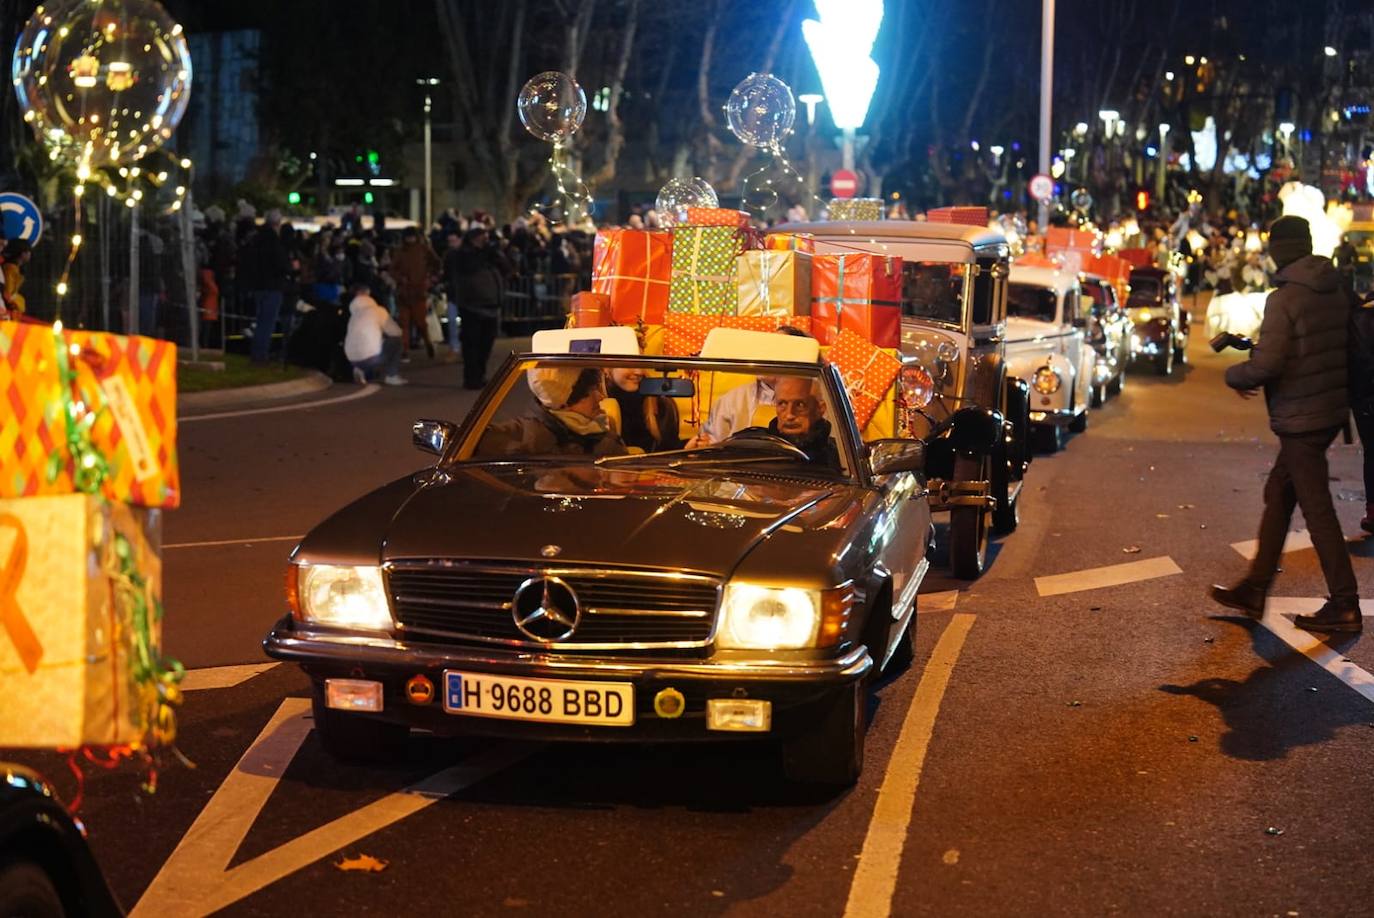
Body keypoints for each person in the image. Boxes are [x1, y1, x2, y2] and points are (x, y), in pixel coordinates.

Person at [1209, 215, 1361, 633]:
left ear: (1279, 250)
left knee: (1317, 511)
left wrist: (1234, 373)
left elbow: (1270, 363)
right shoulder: (1334, 288)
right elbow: (1316, 347)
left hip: (1301, 418)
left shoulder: (1285, 298)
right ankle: (1255, 588)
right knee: (1280, 494)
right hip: (1330, 410)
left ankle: (1345, 605)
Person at [476, 366, 626, 458]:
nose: (600, 397)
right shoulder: (519, 437)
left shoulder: (606, 438)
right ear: (565, 403)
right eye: (591, 392)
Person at [453, 227, 507, 389]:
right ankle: (471, 378)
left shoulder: (490, 255)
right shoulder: (462, 254)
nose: (485, 240)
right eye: (482, 237)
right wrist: (486, 252)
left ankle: (480, 374)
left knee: (486, 343)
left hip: (490, 304)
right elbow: (470, 267)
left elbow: (507, 268)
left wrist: (498, 252)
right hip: (472, 304)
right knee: (472, 344)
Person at [239, 211, 291, 364]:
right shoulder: (274, 242)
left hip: (258, 286)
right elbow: (281, 264)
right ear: (277, 224)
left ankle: (257, 352)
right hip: (272, 286)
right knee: (267, 323)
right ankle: (260, 355)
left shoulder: (256, 240)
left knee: (260, 321)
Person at [603, 368, 685, 453]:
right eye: (630, 364)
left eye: (640, 364)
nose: (639, 372)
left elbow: (669, 450)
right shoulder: (594, 405)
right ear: (606, 368)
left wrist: (686, 448)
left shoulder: (662, 404)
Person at [390, 226, 441, 359]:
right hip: (405, 292)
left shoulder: (423, 249)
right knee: (405, 323)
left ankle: (427, 342)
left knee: (420, 323)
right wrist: (401, 278)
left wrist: (431, 277)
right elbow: (393, 269)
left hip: (418, 290)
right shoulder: (401, 251)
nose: (410, 239)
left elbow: (436, 263)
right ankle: (405, 350)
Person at [768, 376, 841, 468]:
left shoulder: (840, 457)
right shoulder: (758, 450)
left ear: (820, 409)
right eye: (782, 403)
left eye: (800, 405)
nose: (789, 415)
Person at [343, 283, 407, 386]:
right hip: (371, 358)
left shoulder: (353, 316)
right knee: (396, 341)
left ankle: (359, 369)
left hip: (352, 359)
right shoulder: (378, 311)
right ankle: (392, 375)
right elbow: (396, 332)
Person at [2, 239, 32, 317]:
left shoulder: (14, 268)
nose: (30, 254)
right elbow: (8, 293)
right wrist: (18, 304)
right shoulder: (10, 269)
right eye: (28, 252)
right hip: (7, 311)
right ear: (22, 254)